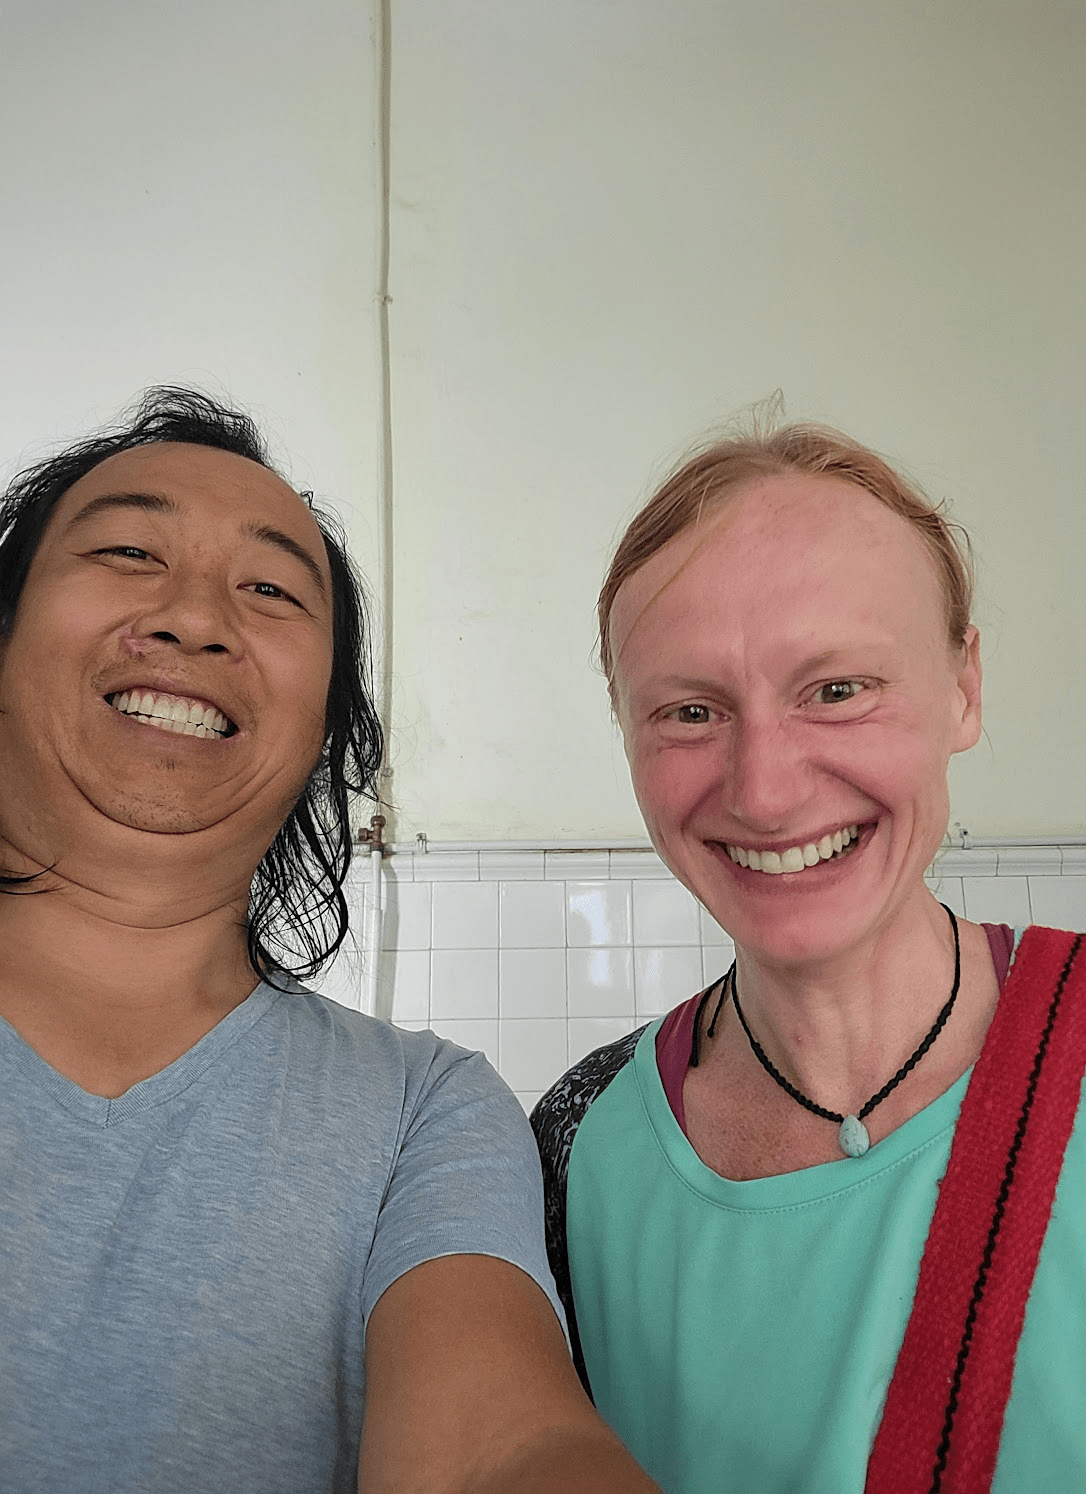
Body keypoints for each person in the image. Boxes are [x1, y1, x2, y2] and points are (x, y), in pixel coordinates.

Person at [0, 389, 659, 1494]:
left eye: (269, 590)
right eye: (127, 551)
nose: (194, 618)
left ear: (323, 728)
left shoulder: (423, 1111)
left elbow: (496, 1447)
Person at [532, 421, 1086, 1493]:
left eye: (838, 690)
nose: (764, 793)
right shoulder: (573, 1152)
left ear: (962, 688)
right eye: (689, 711)